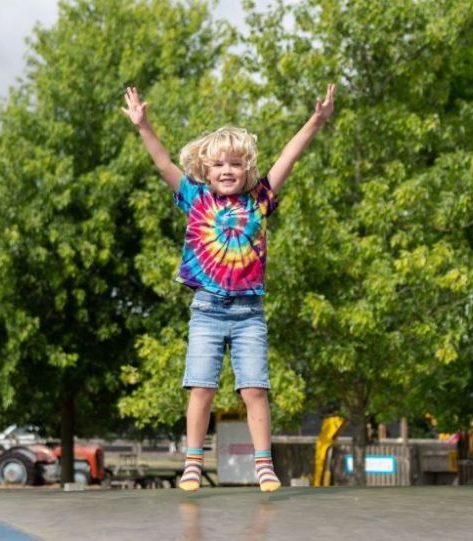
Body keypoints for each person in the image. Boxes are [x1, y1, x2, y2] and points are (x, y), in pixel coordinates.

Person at [122, 83, 336, 492]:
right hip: (206, 309)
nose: (227, 171)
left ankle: (263, 464)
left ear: (248, 170)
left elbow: (289, 156)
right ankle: (192, 462)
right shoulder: (196, 198)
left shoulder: (259, 199)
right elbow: (162, 161)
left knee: (254, 388)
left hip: (248, 312)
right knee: (201, 387)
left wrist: (317, 119)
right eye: (219, 164)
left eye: (235, 164)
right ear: (205, 171)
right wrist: (143, 125)